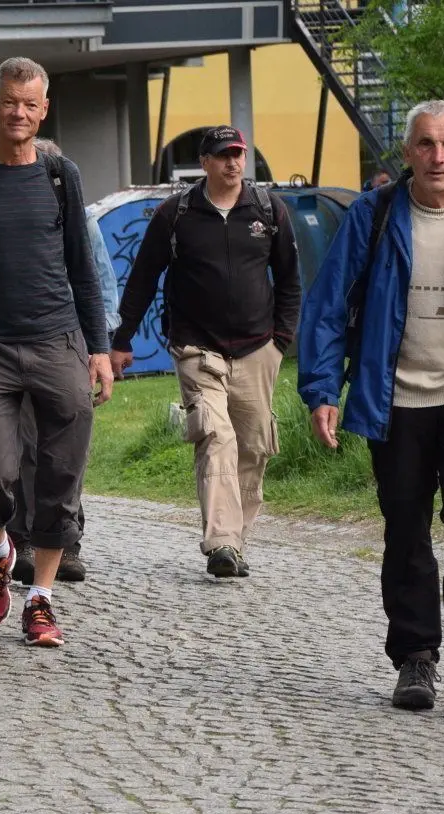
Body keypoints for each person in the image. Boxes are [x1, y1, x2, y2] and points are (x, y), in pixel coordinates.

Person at [297, 99, 444, 717]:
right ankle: (416, 660)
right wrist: (323, 389)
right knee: (406, 533)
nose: (438, 157)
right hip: (394, 401)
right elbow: (327, 306)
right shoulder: (373, 216)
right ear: (406, 153)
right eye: (426, 144)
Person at [0, 57, 112, 648]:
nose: (20, 113)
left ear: (44, 108)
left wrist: (100, 350)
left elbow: (83, 269)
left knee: (61, 474)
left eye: (31, 104)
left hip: (57, 341)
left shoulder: (62, 175)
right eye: (11, 101)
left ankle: (41, 599)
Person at [112, 124, 301, 579]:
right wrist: (121, 342)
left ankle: (236, 540)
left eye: (238, 154)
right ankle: (221, 542)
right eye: (223, 155)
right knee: (216, 437)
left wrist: (281, 342)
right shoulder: (176, 214)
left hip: (258, 348)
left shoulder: (268, 210)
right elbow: (141, 280)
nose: (233, 162)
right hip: (197, 347)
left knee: (254, 447)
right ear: (205, 163)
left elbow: (291, 280)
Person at [6, 137, 121, 587]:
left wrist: (98, 346)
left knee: (67, 449)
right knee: (27, 446)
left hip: (69, 346)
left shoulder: (84, 220)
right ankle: (30, 538)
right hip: (17, 346)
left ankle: (67, 540)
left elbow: (103, 286)